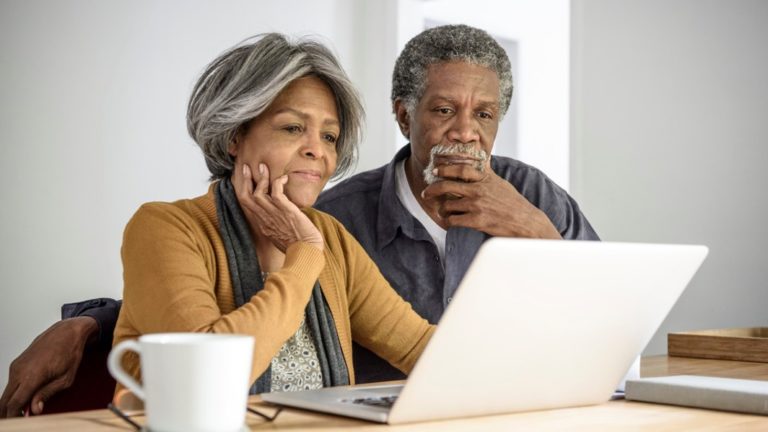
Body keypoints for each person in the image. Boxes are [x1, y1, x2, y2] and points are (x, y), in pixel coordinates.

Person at [1, 24, 597, 417]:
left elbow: (426, 351)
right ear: (235, 135)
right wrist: (302, 254)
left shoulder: (331, 240)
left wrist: (547, 395)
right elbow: (211, 378)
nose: (319, 151)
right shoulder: (169, 227)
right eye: (293, 129)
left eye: (330, 136)